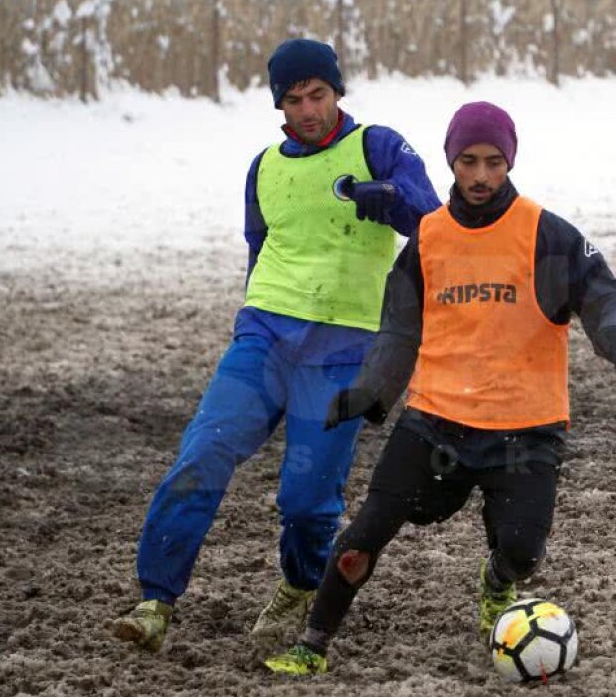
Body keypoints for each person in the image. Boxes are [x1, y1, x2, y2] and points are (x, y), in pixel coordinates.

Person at [262, 100, 616, 676]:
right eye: (469, 161)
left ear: (509, 162)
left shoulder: (546, 234)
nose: (482, 175)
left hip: (526, 427)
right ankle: (312, 646)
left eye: (493, 161)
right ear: (452, 162)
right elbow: (400, 328)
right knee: (363, 537)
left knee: (522, 551)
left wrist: (614, 328)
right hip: (436, 421)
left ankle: (496, 580)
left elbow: (605, 290)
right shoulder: (429, 239)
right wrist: (372, 390)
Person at [111, 38, 441, 653]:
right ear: (279, 105)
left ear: (337, 92)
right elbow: (259, 248)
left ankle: (297, 585)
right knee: (201, 453)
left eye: (318, 95)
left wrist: (390, 199)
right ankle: (155, 598)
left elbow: (433, 218)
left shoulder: (378, 146)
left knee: (308, 497)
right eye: (294, 99)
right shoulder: (264, 167)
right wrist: (253, 320)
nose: (308, 109)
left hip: (345, 346)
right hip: (265, 335)